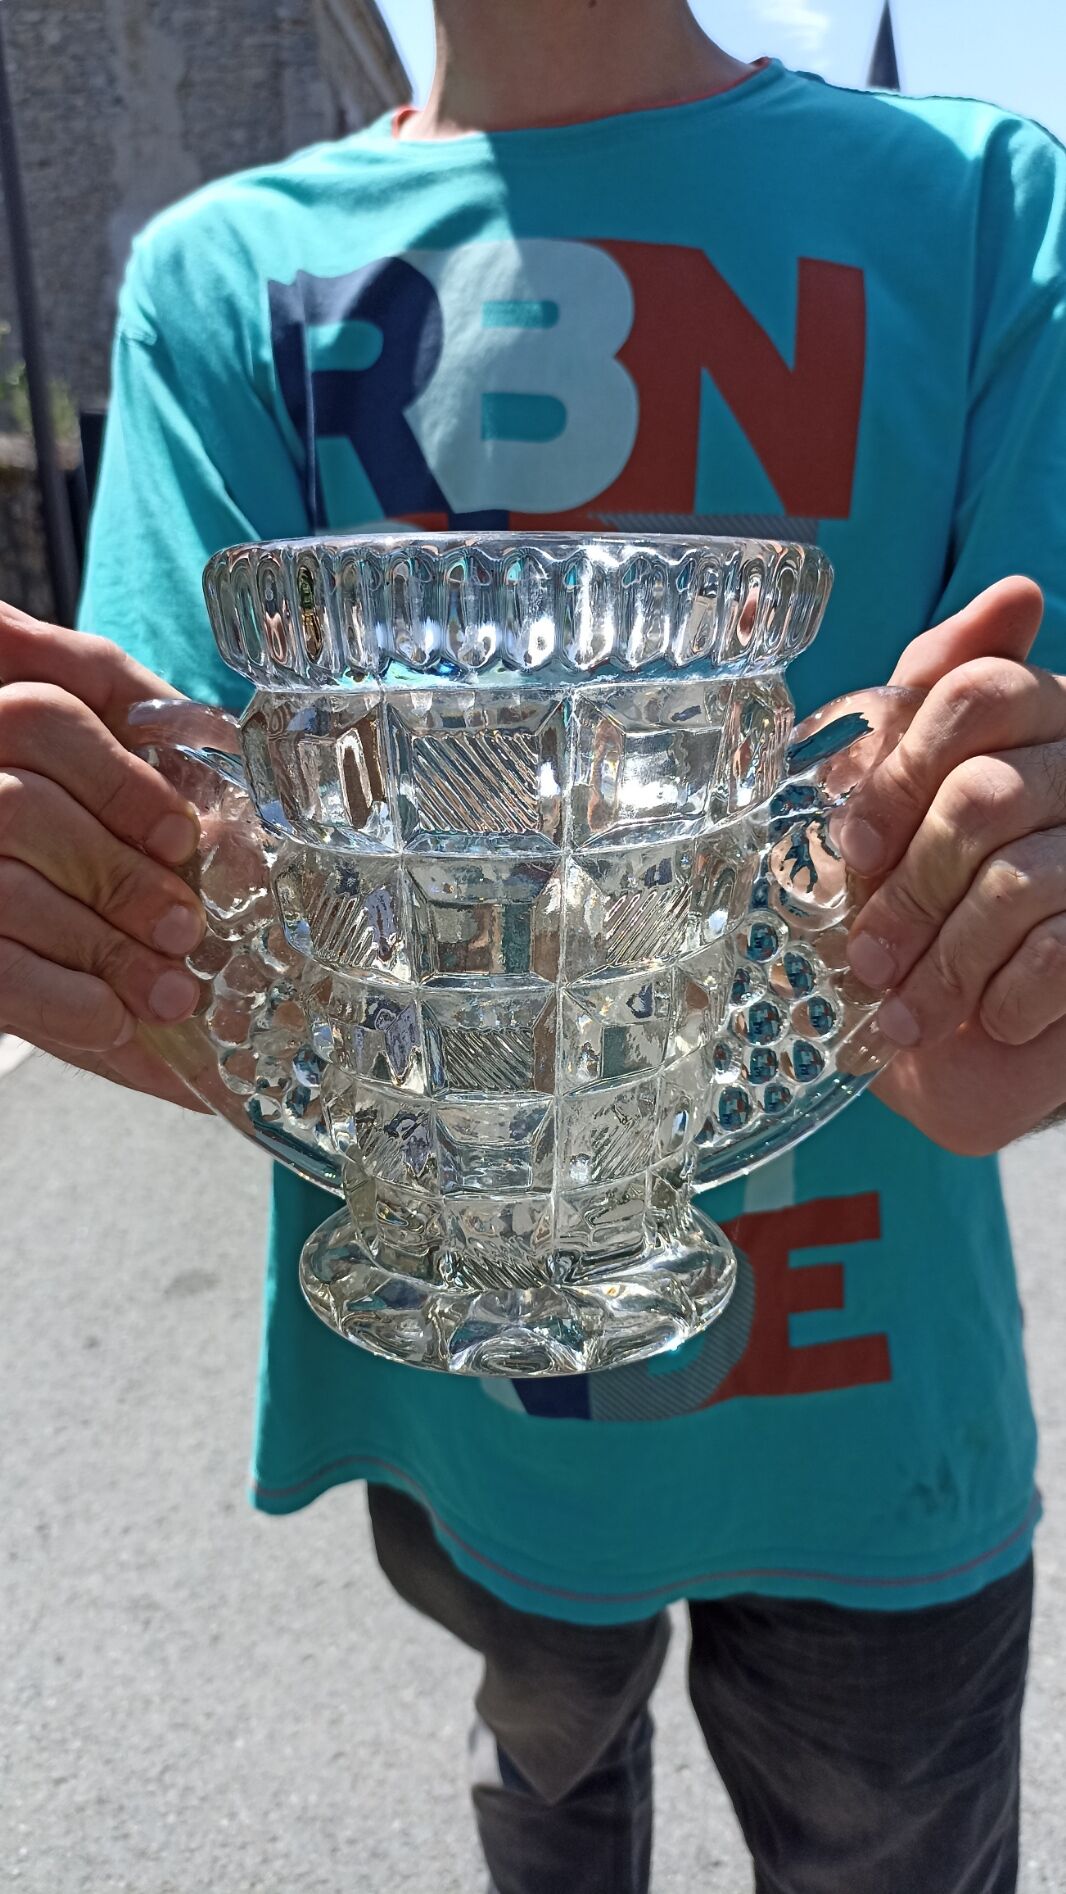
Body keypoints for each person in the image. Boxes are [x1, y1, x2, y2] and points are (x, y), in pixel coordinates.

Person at [2, 3, 1065, 1887]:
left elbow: (998, 943)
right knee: (551, 1801)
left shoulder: (989, 202)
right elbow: (203, 920)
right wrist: (98, 904)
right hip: (463, 1404)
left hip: (880, 1421)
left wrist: (1007, 963)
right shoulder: (216, 277)